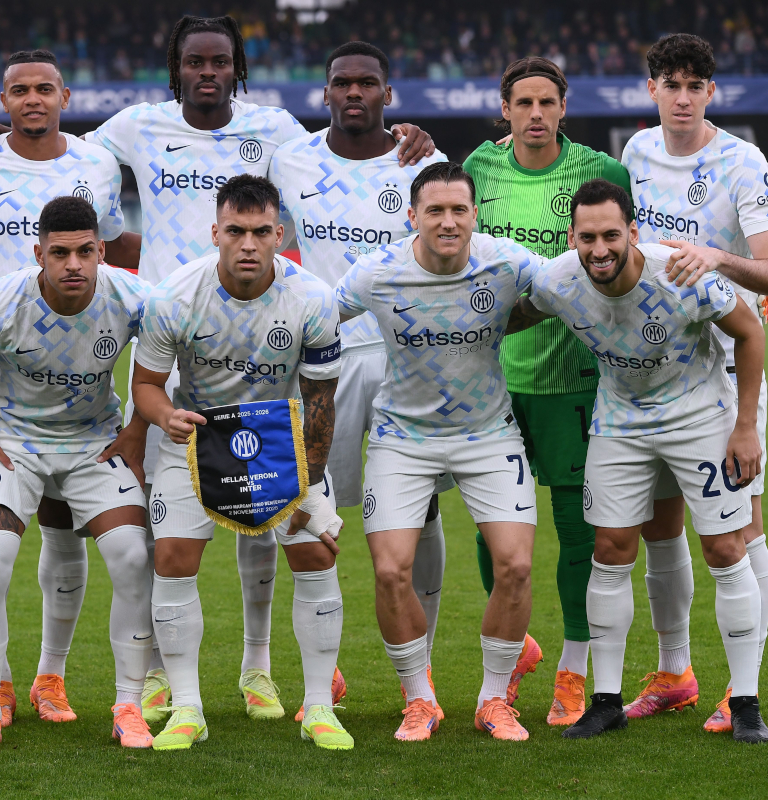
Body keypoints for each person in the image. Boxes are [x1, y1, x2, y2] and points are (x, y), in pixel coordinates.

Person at [0, 15, 435, 723]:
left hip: (256, 334)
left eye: (220, 62)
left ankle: (259, 666)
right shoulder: (135, 126)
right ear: (175, 70)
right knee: (150, 524)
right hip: (161, 333)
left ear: (237, 68)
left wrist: (405, 137)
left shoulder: (274, 131)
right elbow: (57, 142)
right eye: (194, 62)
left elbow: (343, 143)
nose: (207, 73)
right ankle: (149, 675)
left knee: (263, 502)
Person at [515, 178, 768, 744]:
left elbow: (749, 332)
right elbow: (509, 318)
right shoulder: (558, 280)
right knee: (609, 549)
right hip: (621, 421)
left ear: (633, 232)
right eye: (587, 237)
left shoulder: (679, 272)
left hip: (699, 416)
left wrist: (746, 426)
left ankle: (747, 701)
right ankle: (605, 700)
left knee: (726, 549)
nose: (599, 249)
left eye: (611, 234)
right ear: (572, 237)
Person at [0, 48, 139, 728]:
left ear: (65, 95)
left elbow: (121, 247)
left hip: (81, 394)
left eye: (44, 87)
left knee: (66, 539)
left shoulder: (97, 163)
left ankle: (52, 676)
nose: (33, 99)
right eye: (19, 89)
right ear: (3, 99)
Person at [131, 175, 351, 751]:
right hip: (198, 435)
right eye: (235, 231)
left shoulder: (314, 299)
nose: (247, 244)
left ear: (280, 234)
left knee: (314, 552)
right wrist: (164, 417)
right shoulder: (172, 298)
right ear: (216, 233)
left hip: (279, 439)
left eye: (260, 232)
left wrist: (306, 488)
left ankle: (320, 709)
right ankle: (188, 709)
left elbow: (321, 400)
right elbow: (147, 386)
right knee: (173, 557)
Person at [267, 41, 449, 721]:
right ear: (324, 93)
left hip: (406, 360)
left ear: (388, 94)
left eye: (366, 82)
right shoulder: (292, 159)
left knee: (419, 509)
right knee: (315, 507)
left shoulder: (423, 163)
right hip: (321, 361)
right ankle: (326, 668)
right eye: (340, 82)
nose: (353, 92)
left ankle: (420, 670)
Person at [0, 196, 155, 751]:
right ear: (39, 254)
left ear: (102, 251)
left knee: (132, 555)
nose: (74, 264)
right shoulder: (3, 300)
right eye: (60, 253)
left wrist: (136, 431)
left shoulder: (133, 297)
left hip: (93, 442)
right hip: (12, 440)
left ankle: (125, 703)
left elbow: (173, 345)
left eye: (85, 251)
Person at [619, 33, 768, 729]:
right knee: (661, 530)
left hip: (725, 370)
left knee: (741, 531)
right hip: (654, 369)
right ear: (651, 88)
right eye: (671, 83)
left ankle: (740, 686)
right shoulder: (635, 153)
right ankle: (674, 672)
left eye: (695, 85)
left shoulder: (741, 163)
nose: (683, 97)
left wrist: (717, 257)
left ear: (710, 92)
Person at [336, 162, 541, 742]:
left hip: (488, 433)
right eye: (435, 211)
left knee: (516, 565)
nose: (448, 221)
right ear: (412, 217)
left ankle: (494, 699)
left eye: (459, 210)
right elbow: (313, 316)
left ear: (476, 215)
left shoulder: (507, 262)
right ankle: (419, 699)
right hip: (402, 437)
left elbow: (575, 284)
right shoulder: (377, 273)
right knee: (390, 570)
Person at [462, 56, 636, 727]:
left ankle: (573, 669)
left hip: (573, 380)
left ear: (565, 107)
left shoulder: (601, 174)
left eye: (547, 102)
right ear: (504, 109)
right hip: (493, 378)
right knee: (493, 532)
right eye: (523, 103)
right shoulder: (477, 170)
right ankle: (516, 650)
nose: (536, 114)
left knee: (576, 534)